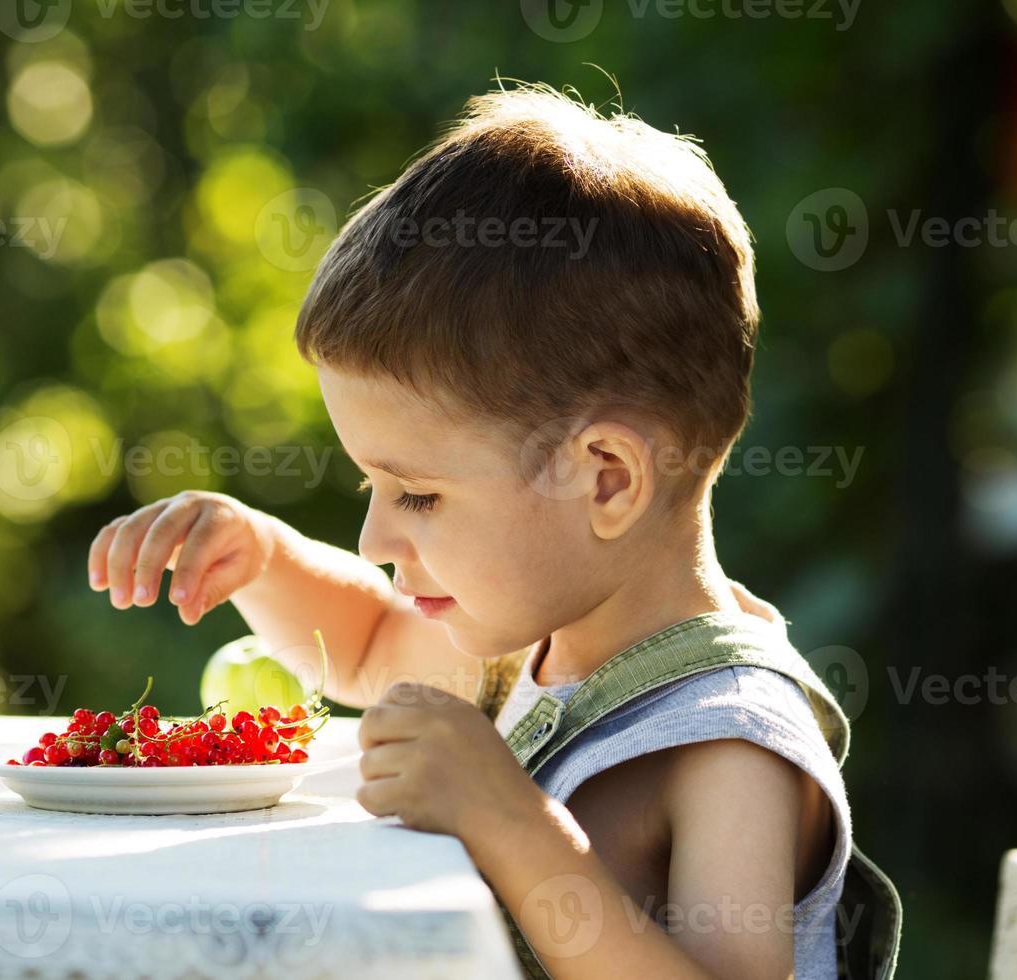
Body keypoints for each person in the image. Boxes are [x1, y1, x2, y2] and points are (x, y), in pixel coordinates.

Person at [88, 82, 901, 979]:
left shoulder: (728, 740)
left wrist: (511, 821)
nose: (374, 541)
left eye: (419, 496)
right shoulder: (534, 645)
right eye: (373, 486)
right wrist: (262, 557)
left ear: (608, 479)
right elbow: (361, 648)